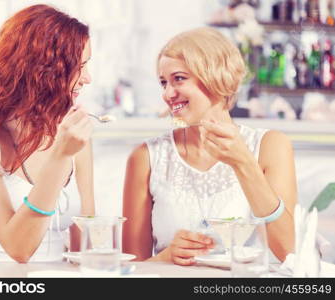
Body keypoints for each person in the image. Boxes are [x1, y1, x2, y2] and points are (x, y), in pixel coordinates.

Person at [122, 27, 297, 265]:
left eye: (179, 79)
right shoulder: (146, 157)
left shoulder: (270, 146)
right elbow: (131, 272)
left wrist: (243, 163)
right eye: (163, 82)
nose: (167, 93)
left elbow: (289, 252)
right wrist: (165, 258)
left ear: (216, 76)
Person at [0, 4, 95, 277]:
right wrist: (60, 157)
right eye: (79, 66)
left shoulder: (71, 137)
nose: (88, 78)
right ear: (43, 70)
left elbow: (86, 243)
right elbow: (19, 248)